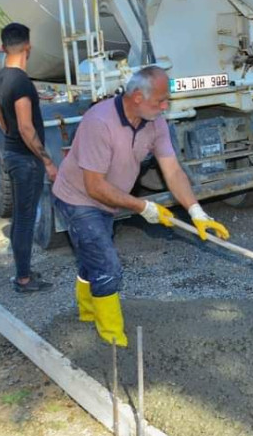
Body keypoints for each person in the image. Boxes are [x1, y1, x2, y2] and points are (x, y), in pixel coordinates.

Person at [51, 66, 230, 347]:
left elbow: (172, 171)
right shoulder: (99, 122)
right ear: (137, 97)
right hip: (78, 199)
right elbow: (94, 187)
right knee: (107, 264)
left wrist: (197, 212)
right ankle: (111, 335)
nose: (165, 106)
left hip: (109, 200)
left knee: (92, 254)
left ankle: (87, 311)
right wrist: (143, 207)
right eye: (160, 100)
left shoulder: (155, 122)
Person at [0, 23, 57, 293]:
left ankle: (24, 271)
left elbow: (0, 118)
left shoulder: (0, 77)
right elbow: (26, 128)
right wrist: (48, 161)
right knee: (25, 220)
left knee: (20, 217)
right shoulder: (21, 83)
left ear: (4, 47)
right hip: (26, 160)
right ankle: (23, 279)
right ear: (28, 47)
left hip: (11, 153)